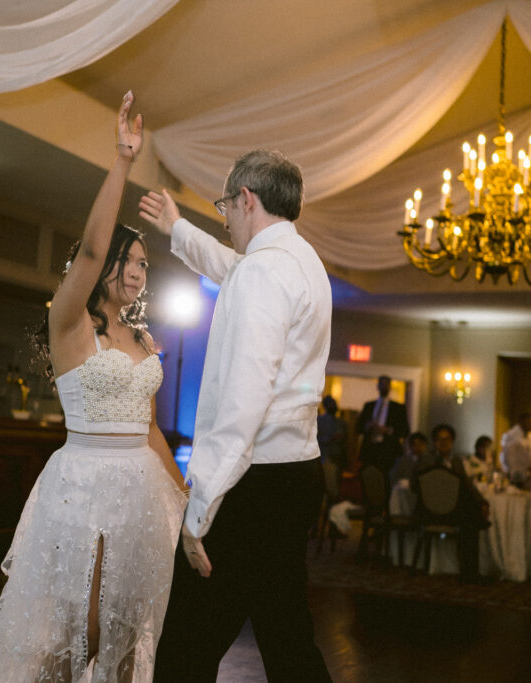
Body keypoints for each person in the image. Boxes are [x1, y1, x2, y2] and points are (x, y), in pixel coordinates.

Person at [0, 93, 187, 682]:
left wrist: (184, 501)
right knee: (82, 629)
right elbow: (93, 248)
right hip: (86, 484)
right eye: (132, 260)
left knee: (129, 633)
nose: (139, 273)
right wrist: (123, 161)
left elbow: (149, 428)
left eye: (146, 264)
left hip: (142, 489)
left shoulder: (144, 340)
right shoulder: (70, 324)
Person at [139, 149, 332, 682]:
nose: (223, 220)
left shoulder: (263, 273)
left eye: (225, 206)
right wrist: (179, 229)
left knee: (185, 645)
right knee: (287, 636)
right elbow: (233, 268)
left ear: (247, 199)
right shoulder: (302, 262)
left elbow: (242, 405)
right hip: (294, 474)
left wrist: (199, 512)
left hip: (254, 485)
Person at [416, 424, 491, 583]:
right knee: (470, 519)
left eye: (447, 439)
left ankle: (471, 573)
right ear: (434, 442)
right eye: (439, 439)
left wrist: (482, 502)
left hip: (452, 511)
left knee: (469, 518)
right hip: (430, 510)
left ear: (452, 442)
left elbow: (468, 484)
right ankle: (470, 572)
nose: (443, 443)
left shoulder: (456, 461)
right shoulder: (427, 459)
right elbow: (413, 484)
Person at [356, 375, 410, 481]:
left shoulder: (398, 408)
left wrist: (387, 430)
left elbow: (405, 430)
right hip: (370, 449)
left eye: (386, 384)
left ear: (390, 387)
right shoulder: (369, 406)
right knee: (368, 479)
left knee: (386, 480)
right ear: (377, 386)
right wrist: (367, 426)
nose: (383, 387)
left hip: (388, 451)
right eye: (381, 384)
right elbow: (358, 428)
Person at [499, 412, 531, 485]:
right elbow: (509, 458)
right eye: (529, 423)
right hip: (517, 475)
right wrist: (516, 474)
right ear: (521, 422)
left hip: (530, 474)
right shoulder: (511, 436)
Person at [317, 395, 347, 471]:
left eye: (334, 403)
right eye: (331, 403)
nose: (334, 405)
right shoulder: (319, 420)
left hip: (337, 456)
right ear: (325, 406)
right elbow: (316, 438)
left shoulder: (341, 422)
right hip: (324, 455)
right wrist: (330, 438)